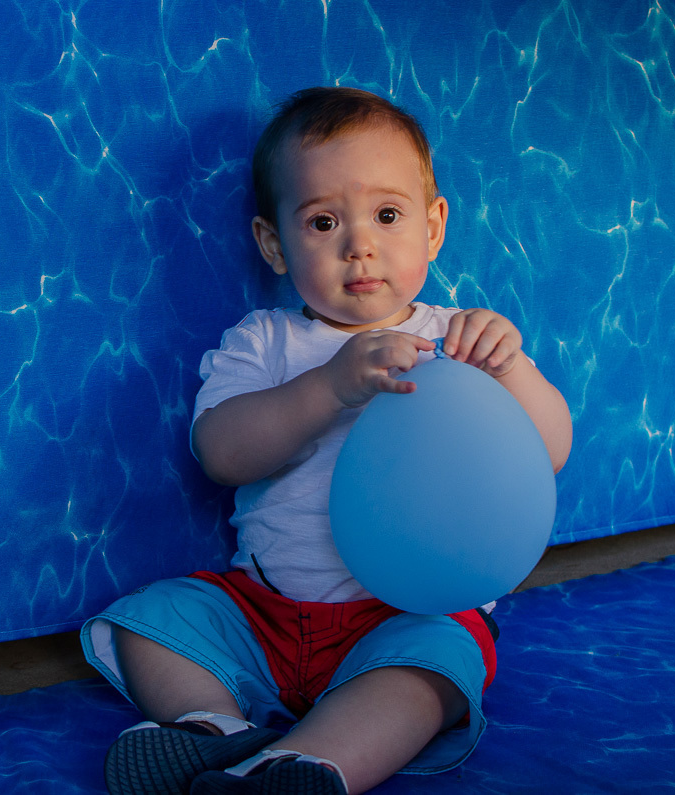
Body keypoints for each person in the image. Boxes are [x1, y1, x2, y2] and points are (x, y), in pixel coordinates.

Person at [80, 86, 573, 795]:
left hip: (405, 614)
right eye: (322, 221)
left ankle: (298, 768)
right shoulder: (265, 342)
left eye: (388, 214)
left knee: (429, 675)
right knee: (148, 619)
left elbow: (547, 449)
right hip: (265, 609)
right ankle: (210, 725)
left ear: (434, 227)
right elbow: (219, 452)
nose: (359, 244)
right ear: (274, 244)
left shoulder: (460, 340)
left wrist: (513, 368)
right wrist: (330, 387)